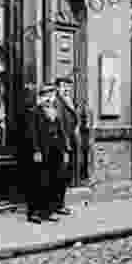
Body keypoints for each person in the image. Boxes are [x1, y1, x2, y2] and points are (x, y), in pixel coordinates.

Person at [27, 84, 68, 224]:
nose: (49, 97)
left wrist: (65, 149)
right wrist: (36, 150)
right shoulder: (35, 111)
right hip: (42, 150)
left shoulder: (55, 110)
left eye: (51, 94)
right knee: (39, 182)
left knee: (53, 180)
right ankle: (34, 213)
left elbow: (61, 130)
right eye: (46, 94)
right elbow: (32, 133)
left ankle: (48, 211)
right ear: (41, 96)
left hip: (55, 149)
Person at [53, 77, 78, 215]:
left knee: (64, 174)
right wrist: (65, 146)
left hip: (70, 142)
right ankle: (57, 205)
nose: (67, 89)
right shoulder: (57, 103)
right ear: (57, 88)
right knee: (60, 175)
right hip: (62, 144)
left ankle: (59, 204)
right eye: (63, 86)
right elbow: (60, 126)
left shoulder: (69, 101)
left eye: (68, 86)